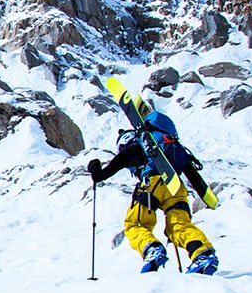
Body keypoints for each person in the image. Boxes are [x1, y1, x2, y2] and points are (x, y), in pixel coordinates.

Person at [87, 108, 219, 274]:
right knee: (179, 226)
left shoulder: (140, 145)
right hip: (176, 187)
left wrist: (96, 170)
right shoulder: (175, 148)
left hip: (152, 183)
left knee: (135, 224)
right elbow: (194, 178)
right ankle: (202, 254)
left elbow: (107, 171)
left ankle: (152, 250)